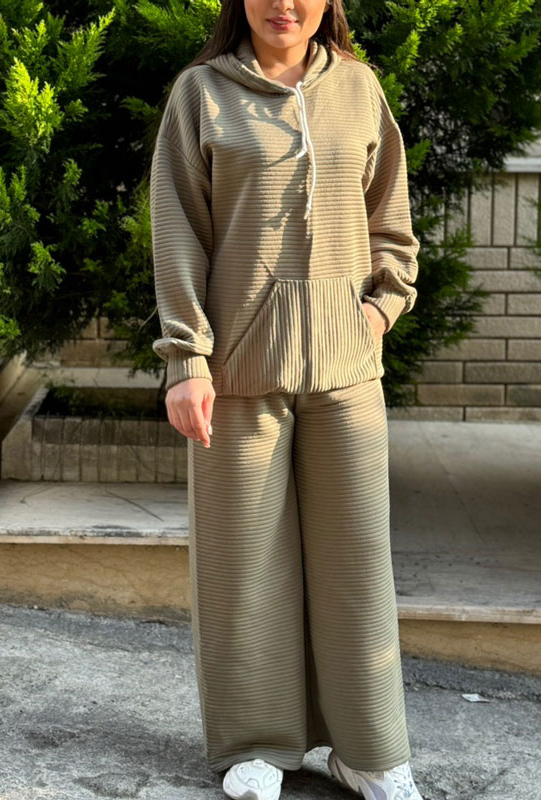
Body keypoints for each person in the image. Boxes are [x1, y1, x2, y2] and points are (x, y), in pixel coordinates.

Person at [149, 1, 423, 799]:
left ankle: (366, 750)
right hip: (238, 370)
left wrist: (379, 308)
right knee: (241, 563)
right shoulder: (201, 93)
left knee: (356, 564)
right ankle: (256, 745)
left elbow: (390, 216)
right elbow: (177, 230)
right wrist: (187, 359)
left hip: (346, 369)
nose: (285, 5)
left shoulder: (358, 89)